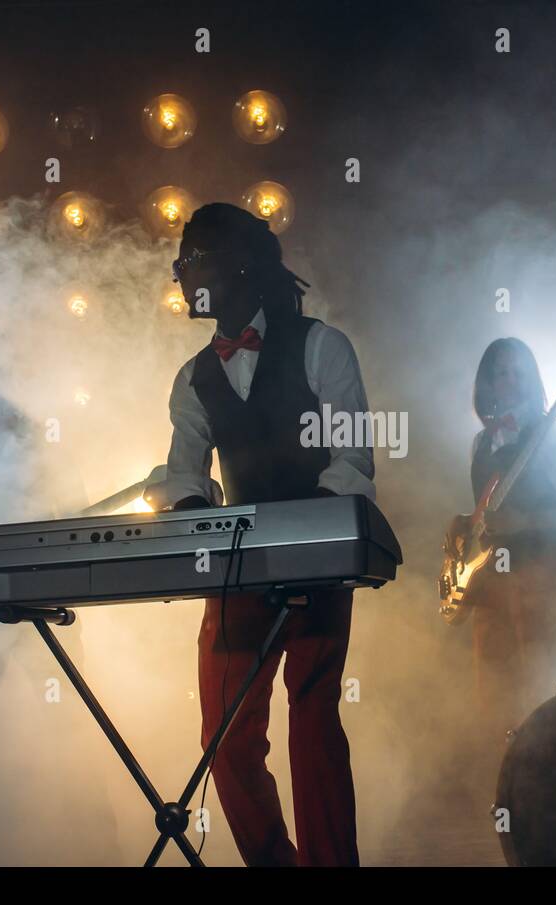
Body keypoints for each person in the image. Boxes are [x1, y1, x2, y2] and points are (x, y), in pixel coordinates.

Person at [160, 202, 374, 866]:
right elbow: (181, 471)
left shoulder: (320, 345)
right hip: (237, 569)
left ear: (241, 264)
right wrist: (193, 506)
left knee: (311, 720)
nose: (182, 274)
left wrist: (302, 533)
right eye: (180, 264)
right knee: (226, 737)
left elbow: (354, 463)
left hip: (318, 561)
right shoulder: (193, 378)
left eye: (194, 260)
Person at [462, 337, 556, 743]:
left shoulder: (553, 436)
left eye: (518, 371)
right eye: (500, 372)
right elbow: (481, 518)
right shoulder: (480, 443)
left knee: (546, 697)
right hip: (490, 589)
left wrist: (528, 521)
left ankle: (555, 797)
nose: (509, 380)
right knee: (493, 702)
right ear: (486, 382)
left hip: (544, 582)